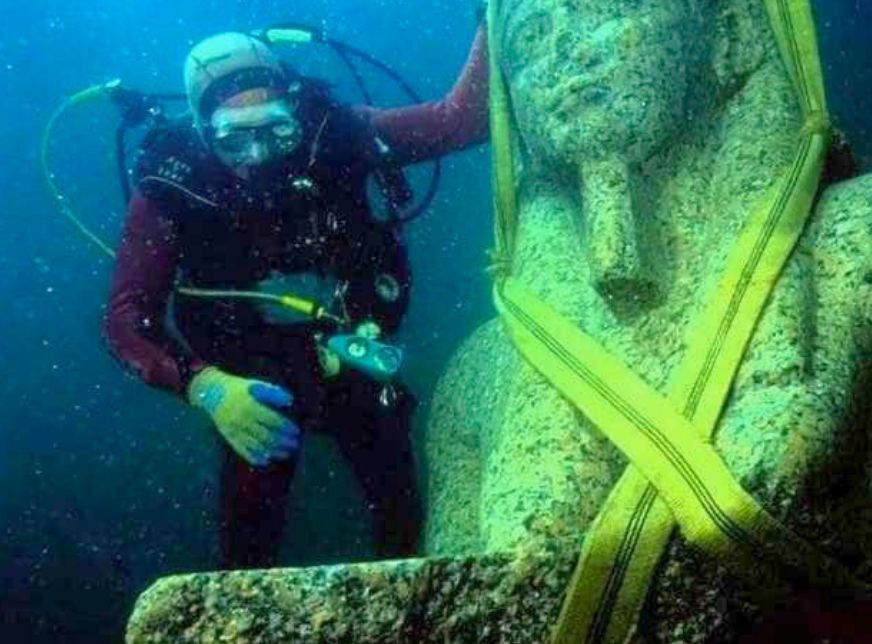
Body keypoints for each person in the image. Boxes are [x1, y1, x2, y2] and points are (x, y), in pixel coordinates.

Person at [104, 27, 488, 569]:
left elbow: (461, 120)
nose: (258, 155)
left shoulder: (339, 133)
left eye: (276, 132)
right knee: (250, 528)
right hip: (244, 378)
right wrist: (205, 386)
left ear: (295, 109)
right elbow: (125, 320)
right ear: (200, 125)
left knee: (397, 499)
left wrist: (494, 15)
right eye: (234, 138)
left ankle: (413, 596)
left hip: (349, 346)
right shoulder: (174, 181)